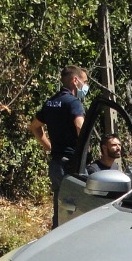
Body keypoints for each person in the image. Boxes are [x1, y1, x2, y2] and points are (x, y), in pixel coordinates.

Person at [29, 65, 88, 225]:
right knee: (81, 208)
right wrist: (83, 152)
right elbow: (80, 126)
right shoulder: (73, 102)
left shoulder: (50, 103)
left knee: (60, 206)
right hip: (72, 164)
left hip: (56, 163)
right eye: (85, 82)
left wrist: (48, 146)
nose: (85, 86)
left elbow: (34, 126)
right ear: (75, 81)